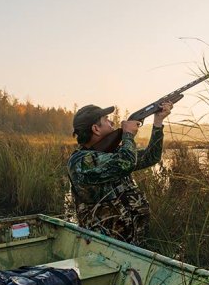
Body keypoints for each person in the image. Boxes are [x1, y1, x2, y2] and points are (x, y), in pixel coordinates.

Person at [67, 102, 172, 245]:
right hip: (104, 247)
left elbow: (151, 157)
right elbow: (127, 162)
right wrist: (128, 135)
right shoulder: (81, 162)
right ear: (96, 129)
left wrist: (158, 122)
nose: (111, 121)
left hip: (132, 244)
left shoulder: (112, 153)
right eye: (106, 119)